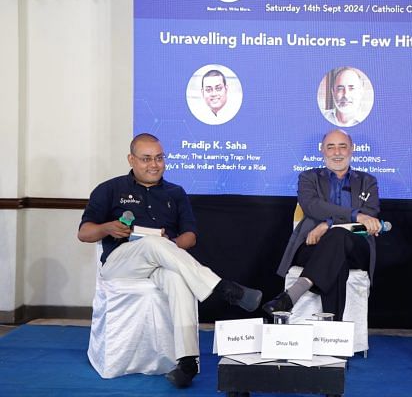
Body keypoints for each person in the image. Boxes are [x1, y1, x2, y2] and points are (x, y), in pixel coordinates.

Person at [77, 133, 262, 389]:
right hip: (121, 264)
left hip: (162, 263)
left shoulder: (175, 193)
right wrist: (108, 227)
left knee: (178, 278)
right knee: (152, 243)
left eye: (159, 158)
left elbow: (190, 237)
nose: (154, 164)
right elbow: (83, 233)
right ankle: (224, 288)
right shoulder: (110, 189)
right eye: (146, 159)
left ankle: (187, 363)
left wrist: (169, 244)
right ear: (131, 159)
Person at [262, 129, 381, 320]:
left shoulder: (368, 181)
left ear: (352, 149)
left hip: (356, 246)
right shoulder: (308, 177)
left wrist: (329, 225)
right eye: (331, 147)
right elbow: (313, 207)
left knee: (338, 237)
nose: (337, 152)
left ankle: (291, 296)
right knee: (336, 257)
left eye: (342, 146)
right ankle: (333, 332)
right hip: (312, 245)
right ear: (322, 150)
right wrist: (354, 215)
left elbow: (371, 215)